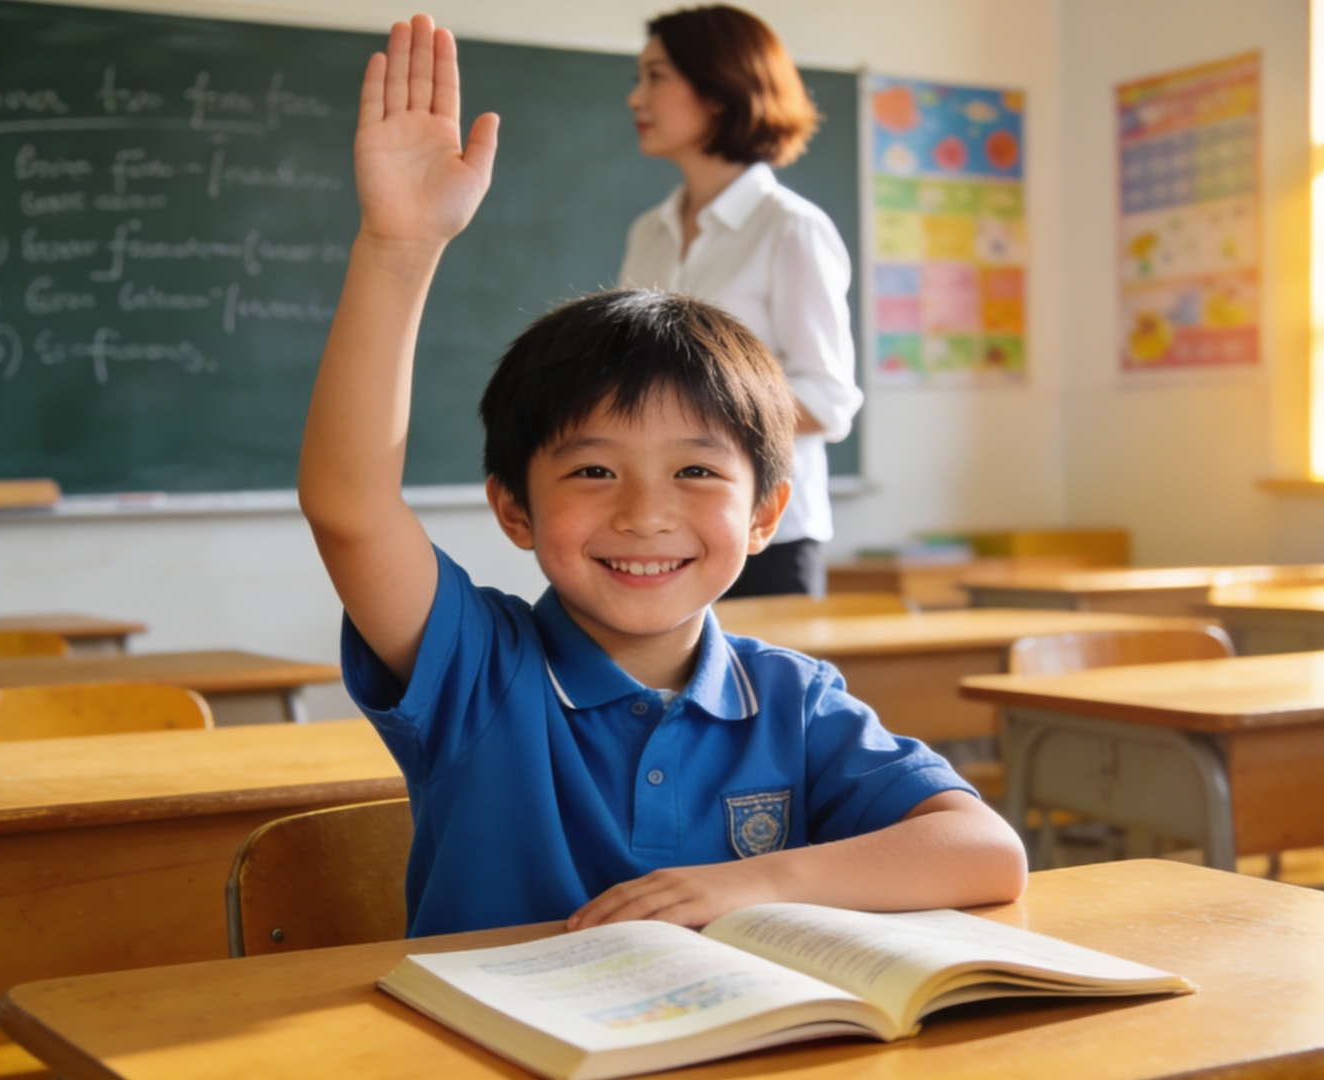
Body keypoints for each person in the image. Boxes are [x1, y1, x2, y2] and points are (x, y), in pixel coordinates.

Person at [300, 15, 1025, 937]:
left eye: (694, 470)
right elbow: (348, 505)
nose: (646, 514)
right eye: (595, 469)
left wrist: (750, 884)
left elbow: (989, 853)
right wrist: (399, 251)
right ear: (513, 508)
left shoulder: (793, 700)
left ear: (767, 512)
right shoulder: (479, 671)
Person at [620, 6, 859, 598]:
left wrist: (693, 399)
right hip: (658, 532)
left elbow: (829, 402)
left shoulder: (791, 229)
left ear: (719, 91)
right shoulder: (648, 232)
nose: (635, 98)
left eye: (655, 77)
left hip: (763, 537)